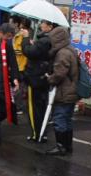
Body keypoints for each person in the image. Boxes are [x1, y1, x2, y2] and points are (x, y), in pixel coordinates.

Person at [45, 23, 78, 156]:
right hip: (71, 91)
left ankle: (61, 146)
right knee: (67, 119)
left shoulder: (62, 53)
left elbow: (59, 74)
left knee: (59, 118)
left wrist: (49, 79)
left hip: (64, 92)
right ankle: (67, 146)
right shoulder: (70, 49)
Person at [20, 20, 53, 143]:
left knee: (34, 108)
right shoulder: (49, 40)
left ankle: (36, 133)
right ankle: (42, 133)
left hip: (35, 78)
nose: (41, 25)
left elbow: (28, 52)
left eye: (44, 23)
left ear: (49, 26)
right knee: (42, 107)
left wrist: (25, 38)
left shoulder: (45, 40)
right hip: (43, 77)